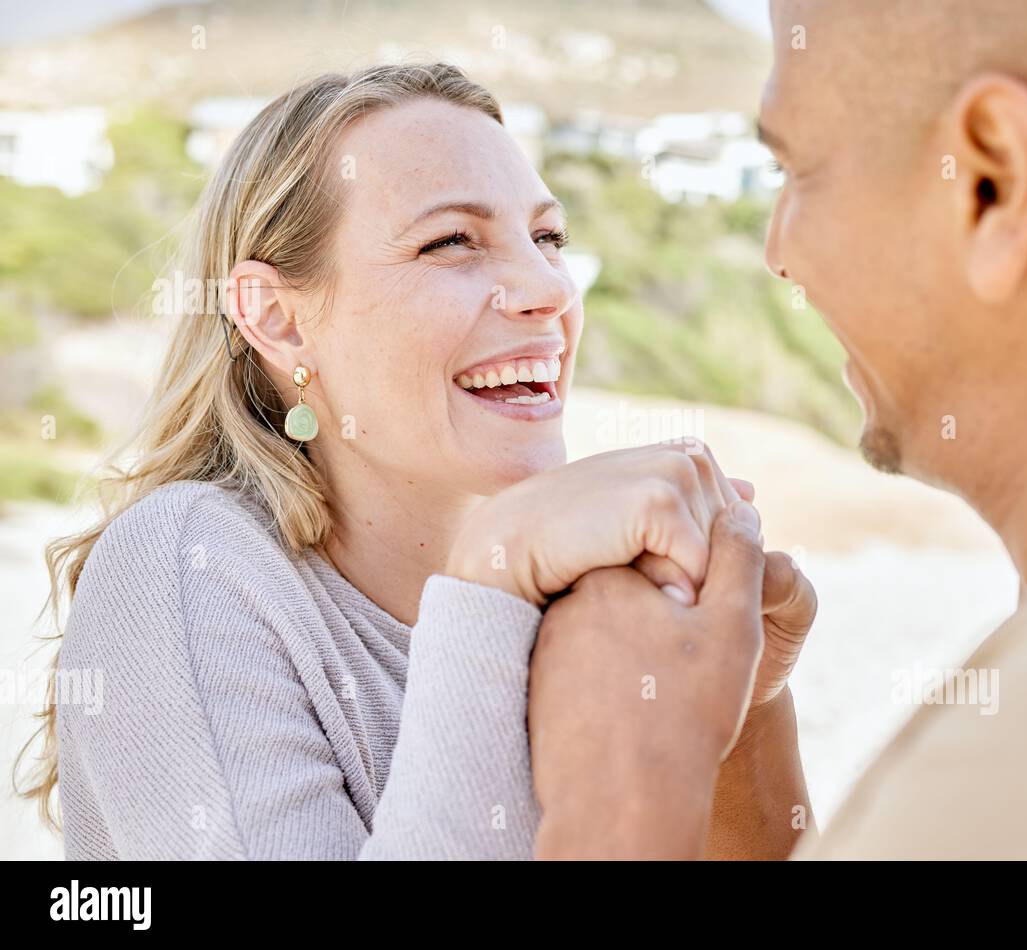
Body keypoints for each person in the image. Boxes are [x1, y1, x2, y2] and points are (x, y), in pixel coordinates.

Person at [527, 0, 1027, 859]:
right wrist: (737, 734)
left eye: (797, 170)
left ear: (991, 185)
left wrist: (621, 797)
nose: (779, 253)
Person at [16, 62, 813, 859]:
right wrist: (490, 586)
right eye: (452, 242)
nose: (548, 290)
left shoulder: (576, 613)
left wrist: (738, 710)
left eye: (548, 239)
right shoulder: (186, 564)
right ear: (280, 321)